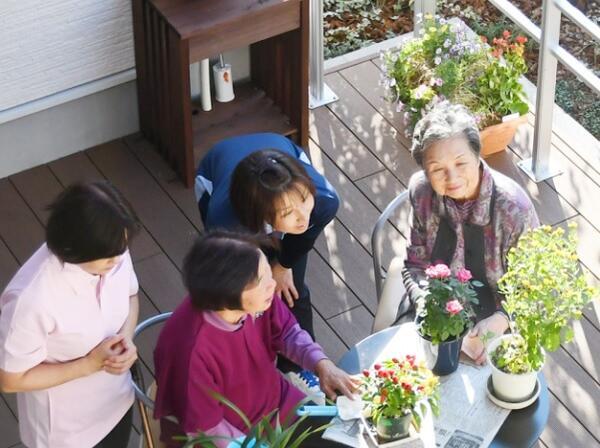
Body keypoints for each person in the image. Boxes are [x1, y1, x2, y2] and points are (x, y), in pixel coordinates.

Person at [153, 231, 357, 448]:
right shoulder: (189, 352)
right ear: (229, 296)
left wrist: (321, 364)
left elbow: (287, 332)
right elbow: (208, 429)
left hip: (281, 408)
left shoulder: (259, 300)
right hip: (231, 439)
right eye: (262, 280)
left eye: (268, 272)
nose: (272, 284)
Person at [0, 182, 141, 448]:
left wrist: (126, 336)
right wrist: (88, 364)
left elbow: (131, 295)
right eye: (109, 256)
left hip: (118, 402)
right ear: (75, 248)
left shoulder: (114, 249)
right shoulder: (31, 299)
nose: (118, 260)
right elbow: (10, 379)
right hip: (67, 434)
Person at [400, 102, 539, 364]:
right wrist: (427, 306)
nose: (451, 177)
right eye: (437, 169)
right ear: (426, 172)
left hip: (497, 321)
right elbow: (415, 265)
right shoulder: (422, 192)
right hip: (436, 310)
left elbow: (534, 290)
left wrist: (502, 320)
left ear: (478, 155)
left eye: (460, 163)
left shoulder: (513, 210)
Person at [195, 133, 340, 342]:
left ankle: (297, 366)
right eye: (289, 213)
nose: (303, 217)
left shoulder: (323, 200)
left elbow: (304, 237)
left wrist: (282, 266)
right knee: (246, 287)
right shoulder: (226, 226)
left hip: (278, 147)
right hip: (215, 172)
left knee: (291, 288)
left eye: (304, 199)